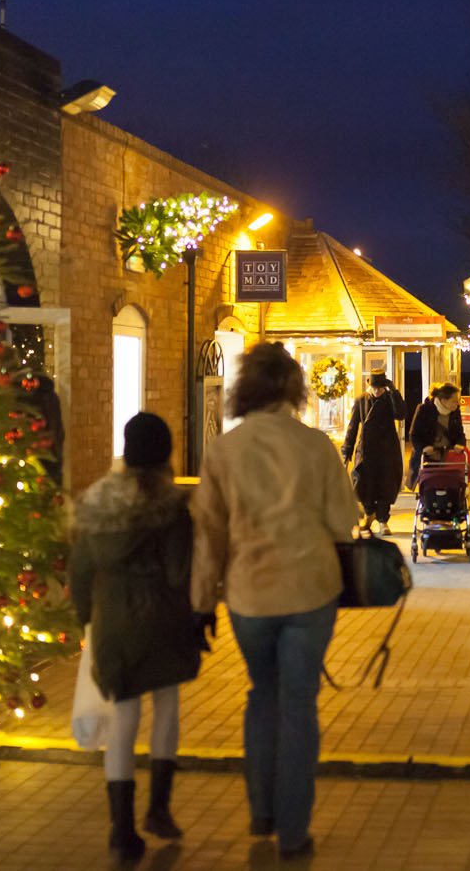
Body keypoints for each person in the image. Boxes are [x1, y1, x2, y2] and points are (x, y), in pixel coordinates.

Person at [191, 342, 359, 859]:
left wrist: (202, 603)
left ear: (245, 389)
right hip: (310, 590)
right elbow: (343, 522)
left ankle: (261, 810)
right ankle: (294, 829)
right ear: (293, 388)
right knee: (299, 704)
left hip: (248, 594)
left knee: (262, 695)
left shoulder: (223, 450)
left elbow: (209, 534)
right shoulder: (316, 446)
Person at [71, 412, 207, 862]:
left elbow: (81, 571)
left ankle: (121, 828)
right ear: (165, 452)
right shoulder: (171, 505)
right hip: (161, 619)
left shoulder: (94, 502)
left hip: (111, 621)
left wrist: (85, 620)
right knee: (166, 707)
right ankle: (159, 810)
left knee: (124, 717)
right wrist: (199, 615)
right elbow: (179, 571)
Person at [341, 372, 407, 534]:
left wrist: (394, 392)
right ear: (370, 385)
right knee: (364, 483)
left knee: (386, 483)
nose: (377, 391)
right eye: (374, 388)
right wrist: (347, 448)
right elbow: (353, 425)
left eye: (380, 388)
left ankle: (383, 520)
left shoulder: (389, 398)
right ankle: (369, 514)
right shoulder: (361, 399)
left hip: (387, 448)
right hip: (367, 448)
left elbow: (401, 414)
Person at [408, 382, 466, 489]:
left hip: (448, 457)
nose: (457, 404)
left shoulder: (455, 412)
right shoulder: (424, 409)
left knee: (450, 486)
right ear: (443, 401)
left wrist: (459, 444)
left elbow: (460, 433)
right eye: (454, 401)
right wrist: (423, 448)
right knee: (430, 487)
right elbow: (414, 435)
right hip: (428, 457)